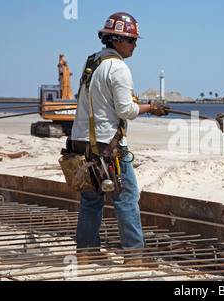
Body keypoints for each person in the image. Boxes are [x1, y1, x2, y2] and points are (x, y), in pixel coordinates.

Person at [70, 12, 170, 264]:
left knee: (91, 200)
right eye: (132, 40)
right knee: (126, 200)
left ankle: (86, 252)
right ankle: (134, 254)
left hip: (81, 144)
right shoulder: (119, 68)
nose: (135, 45)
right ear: (116, 40)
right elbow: (127, 111)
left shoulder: (91, 62)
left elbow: (92, 99)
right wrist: (151, 107)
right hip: (108, 148)